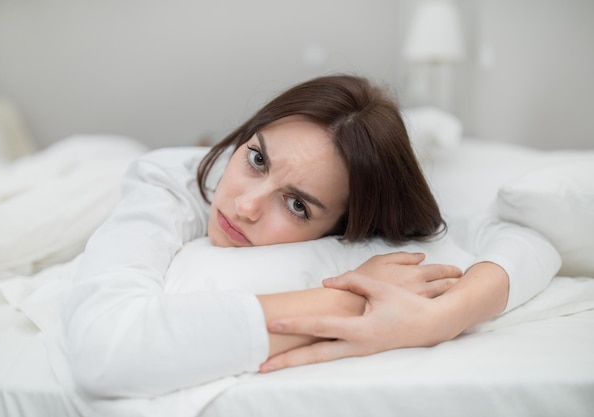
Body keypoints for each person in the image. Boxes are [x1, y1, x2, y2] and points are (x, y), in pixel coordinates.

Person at [61, 74, 559, 398]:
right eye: (257, 158)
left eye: (298, 204)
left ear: (347, 228)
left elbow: (531, 241)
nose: (246, 206)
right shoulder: (165, 180)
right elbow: (103, 348)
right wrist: (348, 305)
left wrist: (442, 317)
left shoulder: (376, 215)